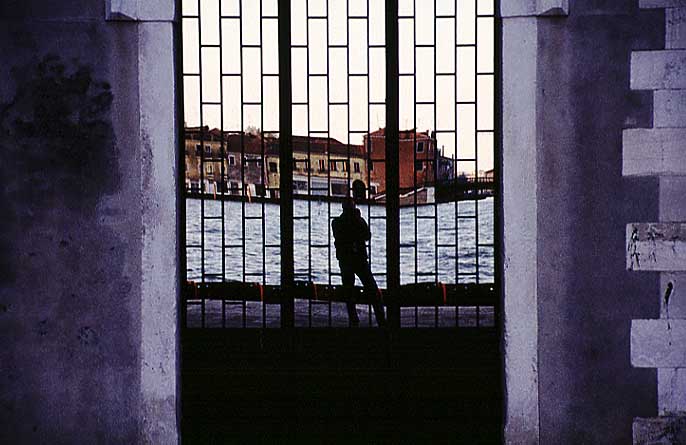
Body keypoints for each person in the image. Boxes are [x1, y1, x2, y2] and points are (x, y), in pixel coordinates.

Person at [332, 197, 386, 327]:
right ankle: (381, 320)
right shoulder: (357, 220)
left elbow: (341, 238)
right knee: (372, 290)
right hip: (359, 259)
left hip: (345, 260)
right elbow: (367, 235)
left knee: (349, 292)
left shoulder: (336, 222)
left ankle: (354, 320)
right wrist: (357, 218)